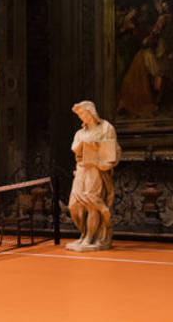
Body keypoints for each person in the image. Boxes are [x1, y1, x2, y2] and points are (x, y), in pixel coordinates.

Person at [66, 101, 121, 252]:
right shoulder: (80, 133)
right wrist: (83, 145)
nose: (82, 117)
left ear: (91, 112)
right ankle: (84, 234)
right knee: (74, 206)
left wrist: (102, 157)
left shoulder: (106, 128)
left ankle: (90, 238)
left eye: (83, 113)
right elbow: (75, 149)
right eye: (80, 115)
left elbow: (113, 150)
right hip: (82, 170)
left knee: (91, 205)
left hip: (96, 170)